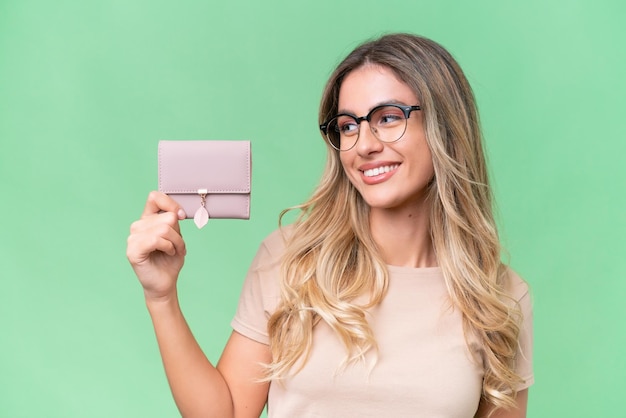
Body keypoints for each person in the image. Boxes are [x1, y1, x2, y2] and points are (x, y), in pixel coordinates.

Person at [127, 33, 533, 418]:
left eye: (389, 118)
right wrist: (161, 298)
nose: (365, 144)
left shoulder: (500, 297)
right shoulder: (291, 259)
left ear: (445, 126)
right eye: (348, 126)